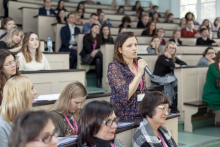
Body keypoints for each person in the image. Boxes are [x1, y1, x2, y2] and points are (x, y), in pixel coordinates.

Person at [107, 32, 149, 120]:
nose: (134, 48)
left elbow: (142, 90)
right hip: (124, 116)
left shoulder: (138, 65)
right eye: (129, 46)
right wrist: (139, 75)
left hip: (141, 113)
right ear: (120, 49)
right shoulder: (114, 67)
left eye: (135, 45)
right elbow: (125, 95)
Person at [0, 76, 37, 147]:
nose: (35, 92)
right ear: (21, 94)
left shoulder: (27, 118)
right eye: (31, 88)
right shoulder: (2, 125)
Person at [151, 42, 187, 113]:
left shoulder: (174, 58)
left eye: (173, 48)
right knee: (174, 80)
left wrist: (175, 63)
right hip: (158, 79)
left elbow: (184, 64)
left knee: (175, 82)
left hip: (167, 79)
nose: (172, 49)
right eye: (170, 47)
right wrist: (170, 58)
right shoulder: (162, 57)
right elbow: (171, 64)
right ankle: (171, 106)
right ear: (166, 48)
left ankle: (173, 107)